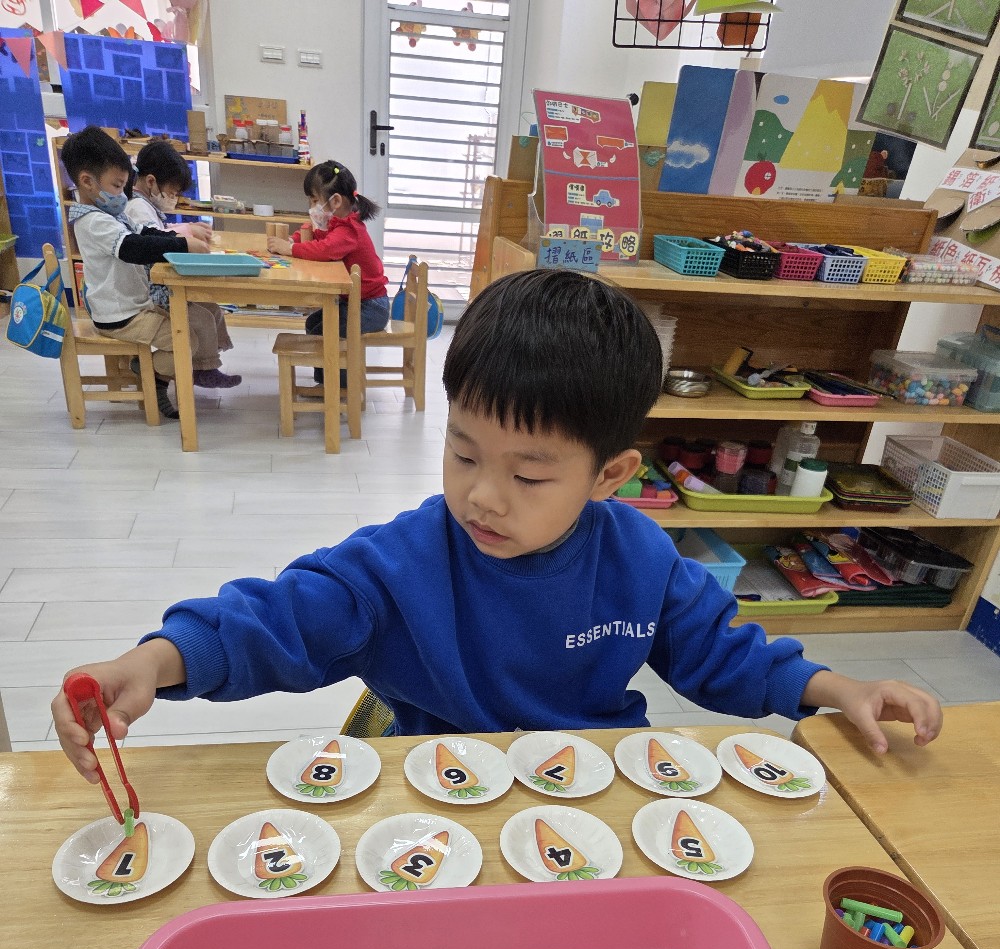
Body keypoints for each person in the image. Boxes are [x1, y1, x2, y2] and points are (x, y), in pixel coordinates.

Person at [52, 269, 942, 778]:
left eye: (528, 475)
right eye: (463, 453)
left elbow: (725, 655)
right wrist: (156, 661)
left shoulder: (640, 558)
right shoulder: (402, 562)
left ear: (610, 476)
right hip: (435, 785)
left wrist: (837, 689)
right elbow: (281, 618)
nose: (483, 496)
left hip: (589, 783)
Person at [60, 126, 211, 421]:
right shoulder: (93, 222)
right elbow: (132, 247)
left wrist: (179, 240)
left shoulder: (112, 215)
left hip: (132, 308)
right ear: (87, 181)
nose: (122, 194)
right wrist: (182, 244)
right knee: (186, 341)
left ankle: (152, 375)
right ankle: (147, 371)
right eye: (117, 186)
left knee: (185, 328)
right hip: (119, 316)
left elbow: (146, 232)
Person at [125, 140, 242, 390]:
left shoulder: (144, 205)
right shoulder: (137, 207)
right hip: (151, 291)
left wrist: (186, 228)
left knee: (212, 308)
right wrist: (186, 234)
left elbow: (159, 230)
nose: (174, 198)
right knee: (202, 319)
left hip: (160, 284)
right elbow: (154, 239)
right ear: (151, 182)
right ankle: (203, 369)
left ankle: (205, 363)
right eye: (173, 192)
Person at [267, 159, 389, 383]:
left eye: (315, 200)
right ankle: (325, 380)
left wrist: (291, 248)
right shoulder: (338, 224)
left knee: (328, 332)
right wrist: (295, 239)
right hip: (356, 302)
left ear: (336, 201)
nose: (312, 206)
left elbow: (324, 249)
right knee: (313, 323)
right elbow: (318, 236)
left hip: (371, 307)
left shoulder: (349, 230)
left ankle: (339, 386)